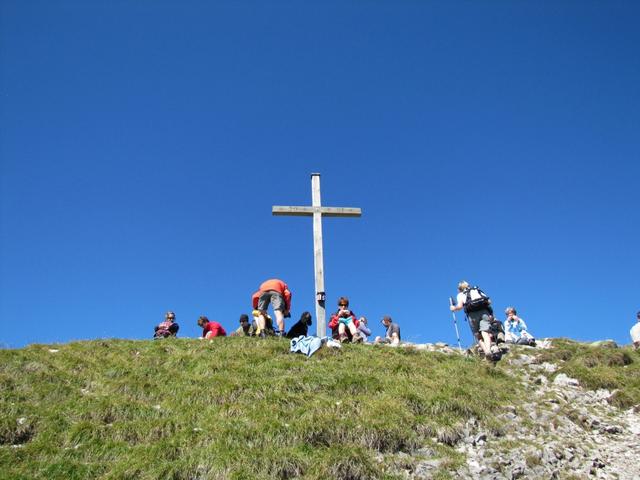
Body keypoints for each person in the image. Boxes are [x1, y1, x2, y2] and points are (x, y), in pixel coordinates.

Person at [450, 281, 499, 359]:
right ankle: (489, 349)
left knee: (478, 335)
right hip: (484, 312)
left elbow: (460, 306)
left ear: (459, 288)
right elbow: (489, 301)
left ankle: (486, 351)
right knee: (485, 332)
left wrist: (453, 308)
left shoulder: (460, 294)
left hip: (472, 315)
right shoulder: (476, 289)